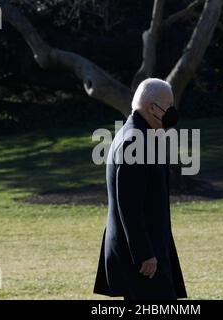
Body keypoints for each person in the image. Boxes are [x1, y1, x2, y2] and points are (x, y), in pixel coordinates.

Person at [93, 78, 187, 300]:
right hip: (142, 259)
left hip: (147, 251)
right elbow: (129, 205)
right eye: (169, 105)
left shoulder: (138, 135)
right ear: (153, 108)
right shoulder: (135, 141)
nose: (172, 111)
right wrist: (145, 254)